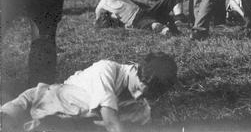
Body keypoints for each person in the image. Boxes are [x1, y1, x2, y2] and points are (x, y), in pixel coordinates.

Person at [0, 52, 177, 132]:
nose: (138, 97)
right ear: (135, 69)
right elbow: (110, 121)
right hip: (44, 97)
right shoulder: (107, 69)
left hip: (64, 121)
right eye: (138, 88)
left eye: (145, 96)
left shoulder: (141, 109)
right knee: (9, 114)